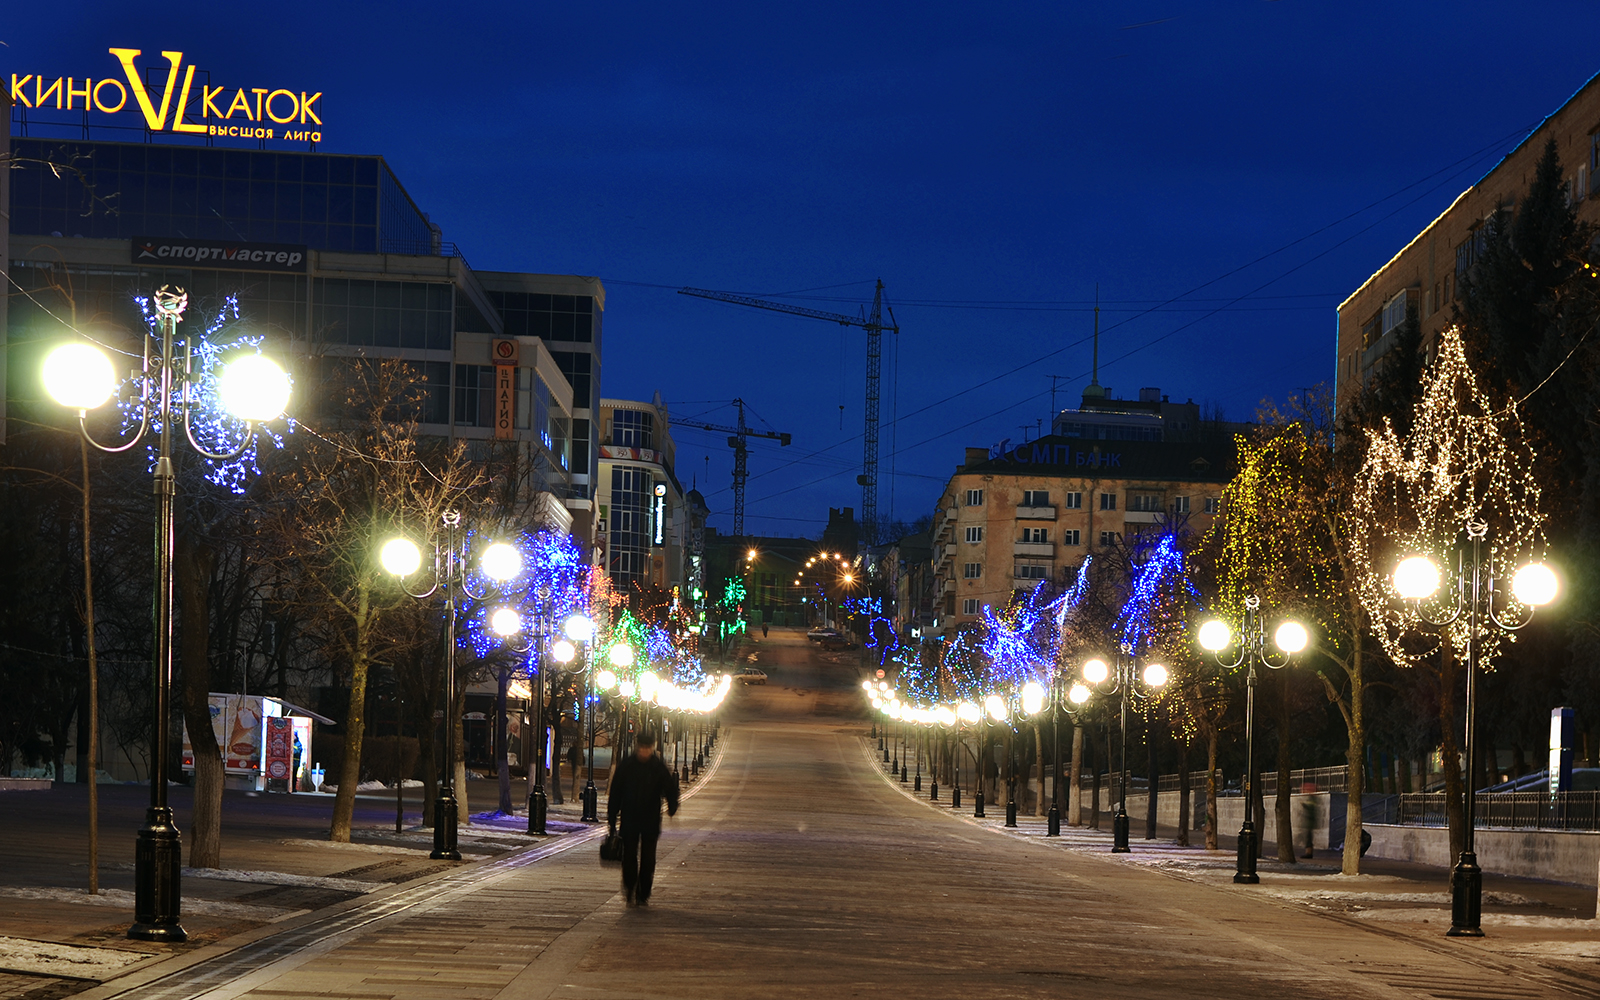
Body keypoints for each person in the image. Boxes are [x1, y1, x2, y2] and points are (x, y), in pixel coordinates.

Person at [606, 730, 679, 906]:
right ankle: (630, 886)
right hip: (630, 817)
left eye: (647, 748)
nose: (644, 751)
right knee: (629, 856)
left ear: (652, 748)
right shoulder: (627, 766)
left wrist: (672, 805)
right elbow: (616, 791)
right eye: (641, 747)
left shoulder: (657, 767)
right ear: (637, 746)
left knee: (648, 859)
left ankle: (643, 892)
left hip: (650, 819)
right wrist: (612, 815)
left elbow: (669, 788)